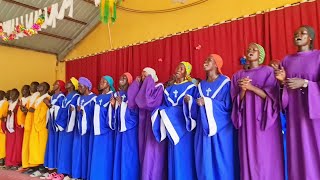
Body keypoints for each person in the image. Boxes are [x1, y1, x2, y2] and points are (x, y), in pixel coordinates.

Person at [273, 25, 320, 180]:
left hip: (314, 115)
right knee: (297, 152)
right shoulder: (287, 60)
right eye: (295, 33)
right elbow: (284, 88)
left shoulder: (318, 57)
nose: (298, 35)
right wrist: (281, 82)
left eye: (302, 33)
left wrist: (306, 83)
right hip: (295, 114)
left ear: (311, 37)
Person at [231, 43, 284, 179]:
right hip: (247, 122)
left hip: (264, 120)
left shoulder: (268, 71)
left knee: (264, 155)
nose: (251, 51)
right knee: (248, 155)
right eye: (248, 49)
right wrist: (243, 90)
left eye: (254, 50)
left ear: (260, 55)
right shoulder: (238, 75)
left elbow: (272, 97)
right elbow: (236, 102)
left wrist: (251, 87)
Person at [194, 54, 239, 180]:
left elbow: (227, 106)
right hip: (203, 129)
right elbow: (195, 109)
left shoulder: (225, 82)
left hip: (221, 130)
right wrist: (191, 102)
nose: (205, 61)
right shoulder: (200, 85)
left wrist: (207, 102)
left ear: (216, 65)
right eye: (205, 59)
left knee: (222, 161)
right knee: (204, 161)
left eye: (209, 60)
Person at [152, 62, 197, 180]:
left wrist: (190, 101)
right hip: (171, 128)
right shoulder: (168, 89)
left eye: (181, 68)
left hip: (185, 129)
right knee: (173, 157)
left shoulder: (191, 87)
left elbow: (195, 108)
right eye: (177, 67)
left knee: (185, 157)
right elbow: (164, 106)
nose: (178, 69)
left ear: (186, 73)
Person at [128, 67, 167, 180]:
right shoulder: (142, 89)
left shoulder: (159, 86)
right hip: (142, 124)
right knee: (143, 152)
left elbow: (149, 103)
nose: (144, 78)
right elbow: (132, 102)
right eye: (142, 76)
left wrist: (148, 82)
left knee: (152, 154)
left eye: (146, 75)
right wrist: (136, 83)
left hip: (153, 125)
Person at [113, 72, 139, 180]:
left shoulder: (132, 94)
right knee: (118, 152)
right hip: (118, 128)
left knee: (128, 153)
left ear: (129, 81)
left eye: (125, 77)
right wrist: (114, 106)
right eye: (121, 76)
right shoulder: (115, 93)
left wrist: (122, 104)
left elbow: (134, 112)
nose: (122, 78)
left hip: (129, 129)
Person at [89, 76, 115, 180]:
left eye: (103, 81)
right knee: (96, 155)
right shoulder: (97, 97)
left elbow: (114, 114)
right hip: (96, 130)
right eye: (100, 81)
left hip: (106, 131)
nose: (101, 83)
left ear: (109, 84)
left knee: (105, 155)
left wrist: (113, 106)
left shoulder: (112, 96)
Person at [41, 80, 66, 179]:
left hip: (57, 126)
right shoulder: (52, 96)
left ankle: (56, 169)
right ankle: (51, 169)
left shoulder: (61, 97)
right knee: (51, 145)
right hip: (51, 125)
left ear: (59, 86)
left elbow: (61, 111)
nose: (53, 85)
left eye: (55, 84)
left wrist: (49, 104)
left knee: (56, 146)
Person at [72, 77, 96, 180]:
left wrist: (83, 112)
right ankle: (77, 174)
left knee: (86, 152)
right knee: (77, 152)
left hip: (88, 130)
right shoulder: (79, 98)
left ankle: (85, 175)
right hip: (79, 129)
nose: (79, 89)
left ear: (86, 87)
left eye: (80, 86)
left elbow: (95, 114)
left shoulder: (94, 98)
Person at [55, 78, 79, 180]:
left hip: (69, 126)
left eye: (69, 82)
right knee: (61, 148)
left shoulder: (76, 96)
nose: (67, 83)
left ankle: (68, 171)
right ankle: (61, 171)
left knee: (68, 149)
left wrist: (68, 111)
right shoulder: (66, 96)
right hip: (62, 126)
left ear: (73, 85)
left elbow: (73, 110)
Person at [270, 59, 288, 180]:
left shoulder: (282, 82)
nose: (273, 69)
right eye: (271, 67)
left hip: (284, 119)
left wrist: (282, 84)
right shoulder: (268, 83)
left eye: (276, 67)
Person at [29, 82, 51, 177]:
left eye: (41, 85)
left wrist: (35, 111)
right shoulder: (38, 98)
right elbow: (32, 110)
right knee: (35, 148)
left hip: (41, 126)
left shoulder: (47, 98)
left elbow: (43, 113)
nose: (39, 87)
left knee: (42, 148)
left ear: (46, 88)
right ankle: (37, 167)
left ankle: (43, 169)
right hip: (35, 125)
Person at [22, 82, 40, 174]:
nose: (31, 88)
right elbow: (29, 111)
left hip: (35, 125)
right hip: (28, 123)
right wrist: (25, 110)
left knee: (34, 146)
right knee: (27, 146)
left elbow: (37, 110)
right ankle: (28, 164)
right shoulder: (32, 97)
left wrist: (30, 110)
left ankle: (34, 166)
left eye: (33, 86)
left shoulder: (38, 97)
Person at [5, 89, 23, 170]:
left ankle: (16, 162)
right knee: (9, 145)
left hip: (16, 127)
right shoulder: (9, 104)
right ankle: (9, 162)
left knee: (17, 145)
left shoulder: (19, 103)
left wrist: (14, 113)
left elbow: (21, 114)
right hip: (10, 127)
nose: (11, 95)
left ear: (17, 95)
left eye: (13, 94)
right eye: (11, 94)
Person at [0, 90, 9, 167]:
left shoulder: (5, 103)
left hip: (2, 125)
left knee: (2, 143)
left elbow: (5, 114)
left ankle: (2, 158)